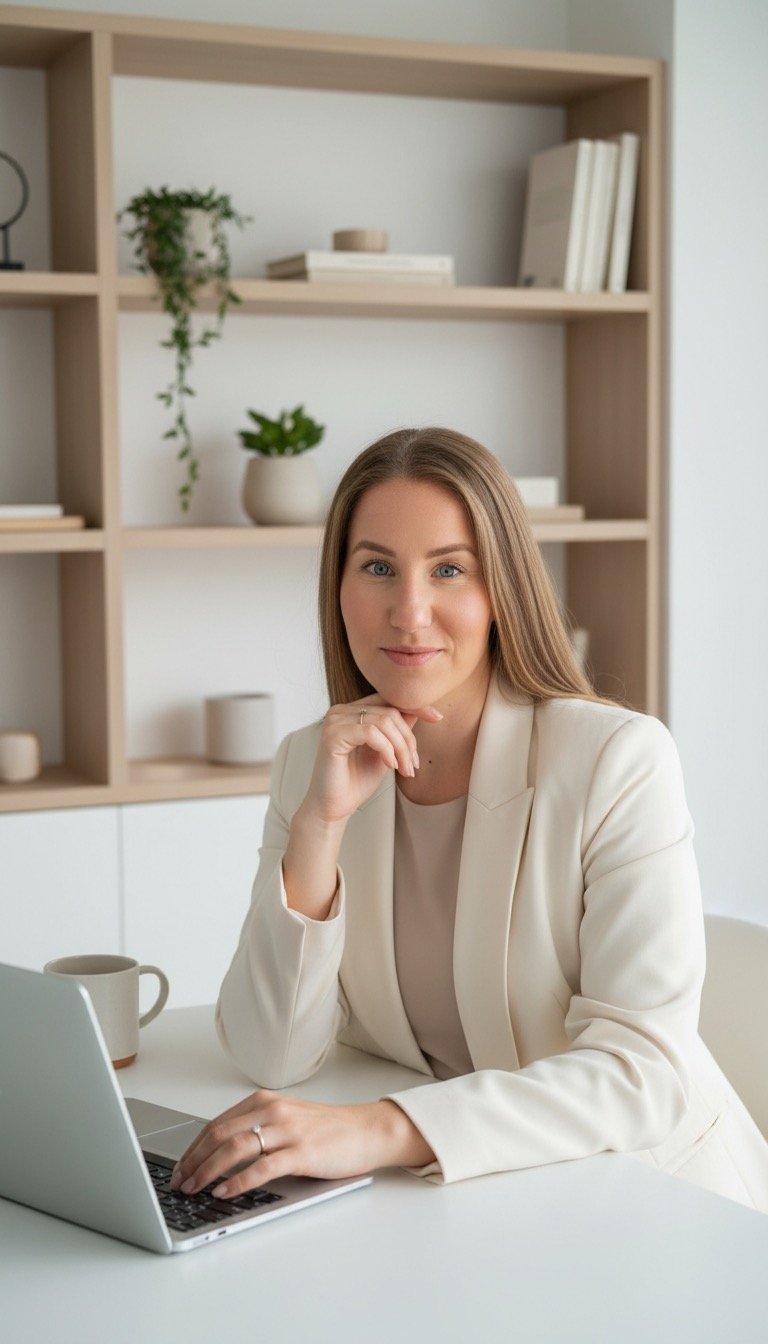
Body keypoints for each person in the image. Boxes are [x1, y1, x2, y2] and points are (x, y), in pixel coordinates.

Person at [172, 426, 768, 1212]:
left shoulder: (617, 761)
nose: (408, 612)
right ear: (338, 589)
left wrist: (377, 1128)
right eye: (377, 567)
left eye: (449, 569)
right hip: (467, 1204)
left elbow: (641, 1075)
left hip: (652, 1200)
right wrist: (319, 826)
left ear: (500, 594)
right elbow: (270, 1051)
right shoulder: (308, 762)